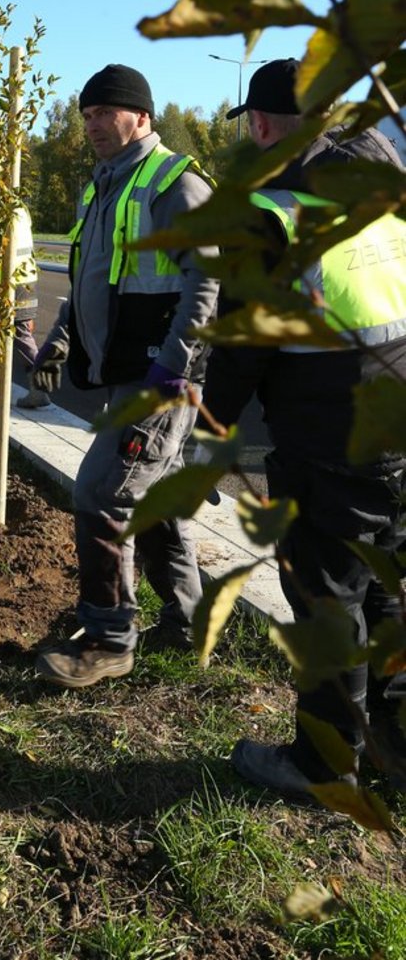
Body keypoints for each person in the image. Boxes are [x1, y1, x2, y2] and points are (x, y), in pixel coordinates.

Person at [200, 58, 406, 798]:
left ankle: (324, 764)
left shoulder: (271, 207)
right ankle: (393, 744)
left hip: (330, 434)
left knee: (327, 598)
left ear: (260, 124)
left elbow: (244, 340)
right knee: (385, 585)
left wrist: (212, 420)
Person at [30, 64, 218, 686]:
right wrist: (58, 341)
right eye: (85, 115)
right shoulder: (100, 188)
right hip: (124, 376)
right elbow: (90, 280)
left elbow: (208, 283)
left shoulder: (173, 184)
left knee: (102, 494)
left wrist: (173, 365)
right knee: (156, 501)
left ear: (141, 115)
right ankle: (190, 624)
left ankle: (111, 638)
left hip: (159, 382)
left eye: (103, 112)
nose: (92, 126)